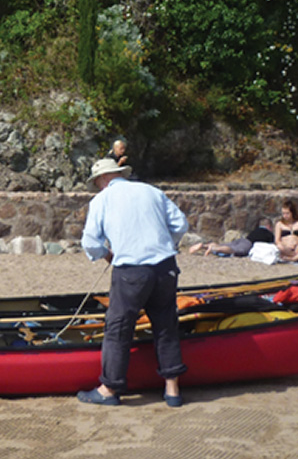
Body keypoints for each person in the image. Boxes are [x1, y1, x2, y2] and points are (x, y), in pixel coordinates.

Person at [78, 157, 189, 408]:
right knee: (166, 324)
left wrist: (107, 255)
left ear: (102, 179)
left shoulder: (102, 199)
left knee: (118, 327)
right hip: (165, 266)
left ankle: (110, 388)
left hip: (130, 269)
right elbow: (181, 224)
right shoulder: (152, 191)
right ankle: (172, 389)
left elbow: (90, 242)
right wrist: (165, 243)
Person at [188, 219, 273, 256]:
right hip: (248, 244)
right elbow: (272, 246)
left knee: (224, 245)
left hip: (242, 240)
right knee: (233, 250)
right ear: (268, 226)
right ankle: (214, 248)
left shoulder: (256, 230)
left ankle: (204, 246)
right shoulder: (269, 234)